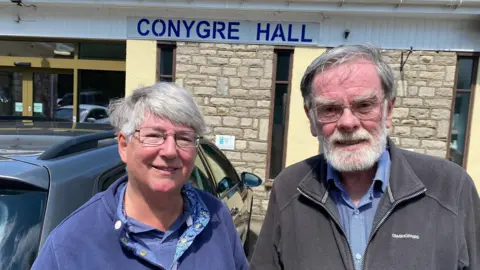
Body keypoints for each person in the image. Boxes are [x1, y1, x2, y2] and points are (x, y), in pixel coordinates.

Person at [250, 45, 480, 270]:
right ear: (311, 118)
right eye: (329, 109)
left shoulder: (451, 188)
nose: (348, 123)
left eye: (364, 105)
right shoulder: (289, 189)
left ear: (388, 111)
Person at [32, 83, 248, 270]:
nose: (170, 151)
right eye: (154, 136)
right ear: (124, 146)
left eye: (184, 138)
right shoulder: (72, 242)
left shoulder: (216, 217)